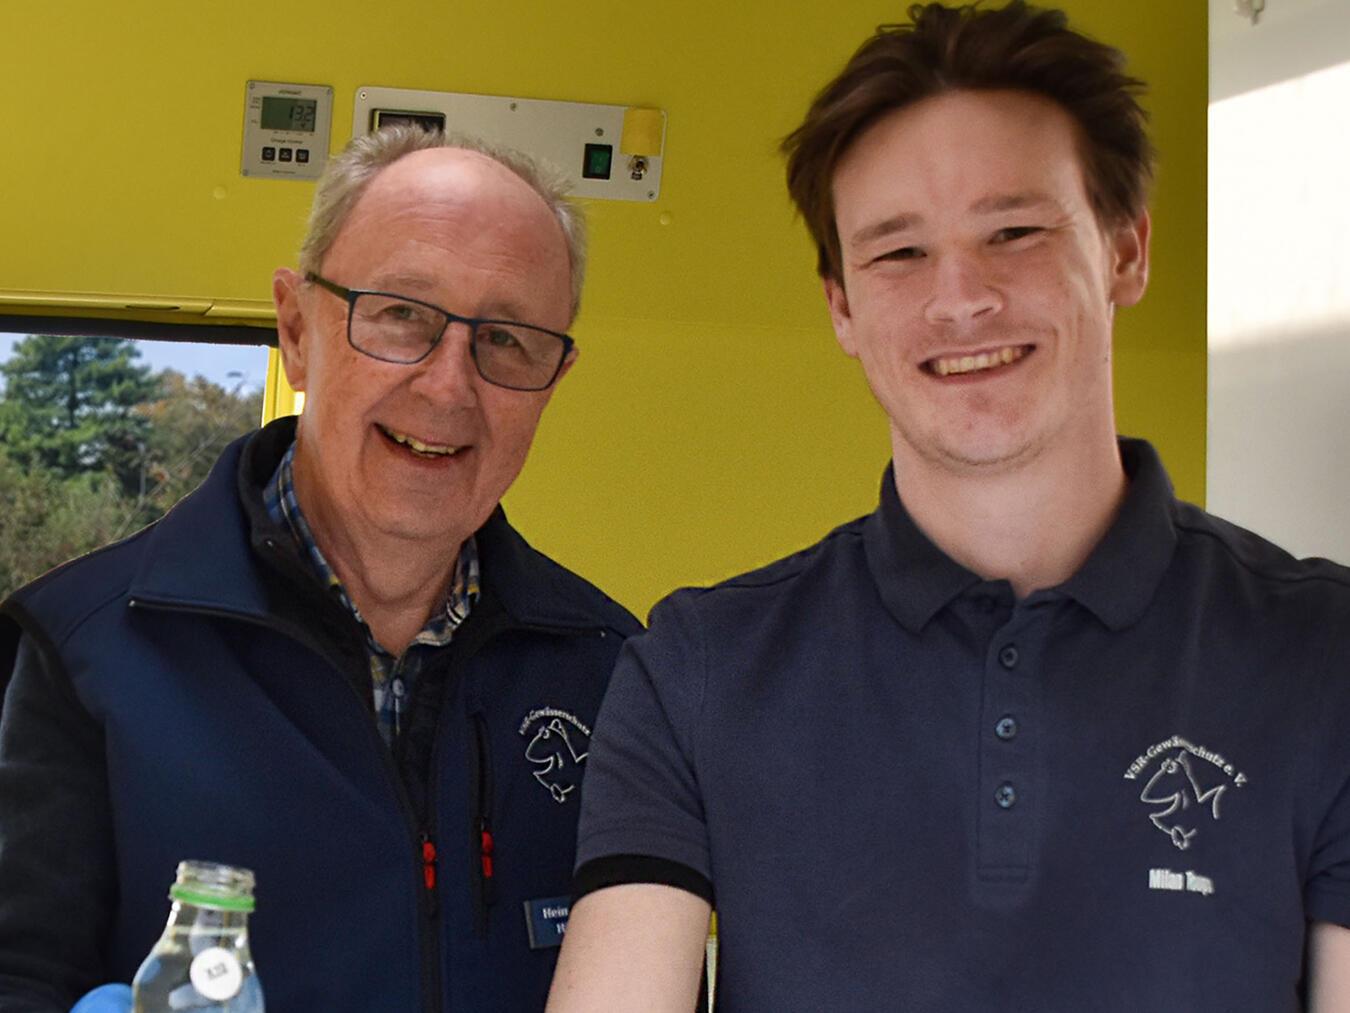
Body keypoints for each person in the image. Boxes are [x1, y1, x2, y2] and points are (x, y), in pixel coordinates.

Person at [548, 3, 1350, 1010]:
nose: (960, 297)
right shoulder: (696, 670)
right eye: (898, 253)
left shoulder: (1324, 649)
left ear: (1125, 251)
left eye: (1012, 230)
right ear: (842, 305)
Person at [0, 126, 640, 1012]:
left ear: (553, 378)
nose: (450, 386)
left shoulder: (615, 672)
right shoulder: (85, 650)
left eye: (508, 339)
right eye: (402, 313)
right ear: (297, 332)